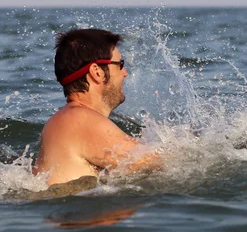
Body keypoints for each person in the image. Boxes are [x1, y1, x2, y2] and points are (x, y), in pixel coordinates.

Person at [33, 29, 160, 186]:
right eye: (120, 65)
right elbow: (159, 162)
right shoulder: (80, 120)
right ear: (97, 72)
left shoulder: (64, 119)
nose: (125, 73)